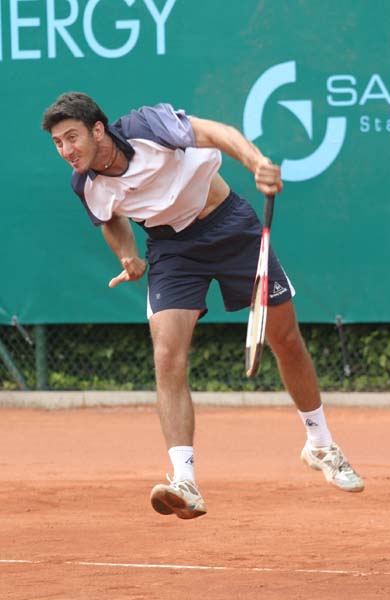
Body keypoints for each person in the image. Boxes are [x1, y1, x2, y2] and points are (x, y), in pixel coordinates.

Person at [42, 92, 364, 519]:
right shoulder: (85, 184)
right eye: (58, 143)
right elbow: (110, 218)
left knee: (285, 339)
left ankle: (320, 444)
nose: (66, 150)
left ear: (97, 130)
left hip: (230, 227)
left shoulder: (147, 127)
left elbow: (217, 133)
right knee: (167, 355)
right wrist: (127, 255)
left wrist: (255, 163)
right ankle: (185, 481)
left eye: (72, 137)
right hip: (172, 251)